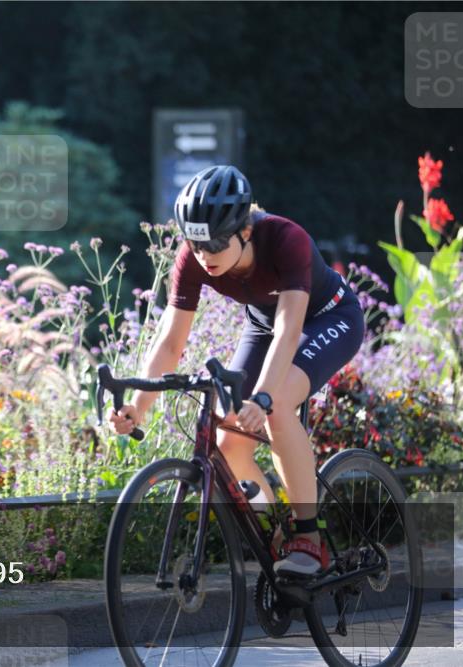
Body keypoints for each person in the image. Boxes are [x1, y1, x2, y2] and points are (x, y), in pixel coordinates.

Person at [110, 165, 365, 577]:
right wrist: (139, 407)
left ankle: (308, 538)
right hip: (264, 324)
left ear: (244, 230)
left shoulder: (286, 240)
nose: (204, 255)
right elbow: (171, 343)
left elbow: (289, 329)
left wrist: (263, 397)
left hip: (328, 319)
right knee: (229, 447)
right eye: (195, 244)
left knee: (278, 404)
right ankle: (275, 534)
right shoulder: (192, 260)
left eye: (213, 243)